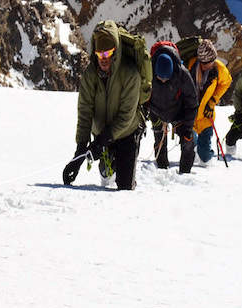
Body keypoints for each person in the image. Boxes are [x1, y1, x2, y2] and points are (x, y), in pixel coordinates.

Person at [68, 20, 145, 190]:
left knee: (125, 188)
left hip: (127, 133)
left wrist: (100, 142)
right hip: (102, 132)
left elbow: (126, 117)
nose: (103, 59)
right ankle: (109, 162)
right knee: (106, 173)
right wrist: (80, 149)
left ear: (115, 52)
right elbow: (85, 111)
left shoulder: (130, 74)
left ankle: (126, 171)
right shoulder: (90, 75)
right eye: (99, 53)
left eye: (108, 53)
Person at [146, 42, 198, 173]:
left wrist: (188, 127)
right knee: (159, 142)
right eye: (160, 78)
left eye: (166, 78)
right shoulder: (148, 71)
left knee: (188, 141)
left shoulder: (182, 73)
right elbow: (142, 95)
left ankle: (185, 174)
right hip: (156, 112)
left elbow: (191, 103)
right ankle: (162, 170)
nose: (163, 80)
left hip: (178, 112)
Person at [185, 38, 232, 166]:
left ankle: (206, 157)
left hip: (206, 116)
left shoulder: (218, 68)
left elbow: (226, 82)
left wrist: (213, 100)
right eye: (206, 63)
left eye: (212, 61)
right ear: (201, 61)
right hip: (190, 116)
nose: (210, 65)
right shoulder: (190, 66)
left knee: (205, 156)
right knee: (189, 147)